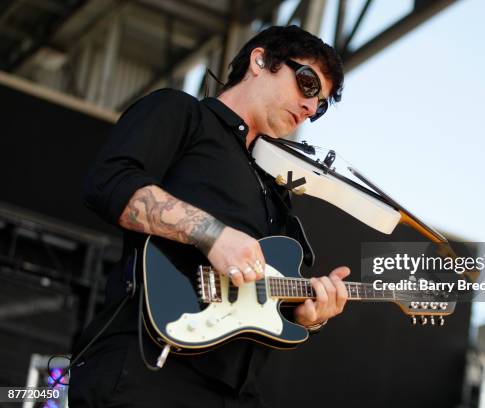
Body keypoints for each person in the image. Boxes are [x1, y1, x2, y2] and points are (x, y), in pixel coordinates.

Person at [69, 25, 347, 408]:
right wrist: (211, 234)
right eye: (309, 85)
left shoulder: (275, 188)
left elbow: (270, 295)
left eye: (321, 105)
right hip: (150, 369)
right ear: (260, 60)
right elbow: (110, 182)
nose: (311, 108)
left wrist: (310, 313)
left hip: (237, 391)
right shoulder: (182, 113)